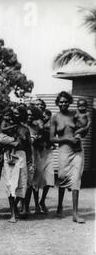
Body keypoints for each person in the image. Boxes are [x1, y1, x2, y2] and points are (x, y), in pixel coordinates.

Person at [50, 91, 85, 223]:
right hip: (64, 150)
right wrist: (66, 139)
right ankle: (59, 206)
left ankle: (75, 213)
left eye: (65, 101)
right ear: (57, 103)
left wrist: (78, 134)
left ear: (69, 102)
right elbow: (52, 138)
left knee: (76, 179)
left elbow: (84, 130)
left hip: (77, 150)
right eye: (61, 102)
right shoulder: (55, 117)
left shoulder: (75, 114)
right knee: (62, 177)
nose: (63, 104)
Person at [0, 106, 29, 223]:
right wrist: (11, 143)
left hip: (22, 156)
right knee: (10, 184)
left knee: (22, 184)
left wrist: (30, 161)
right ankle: (12, 214)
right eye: (14, 113)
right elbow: (0, 139)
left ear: (22, 115)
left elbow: (28, 146)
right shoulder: (8, 128)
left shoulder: (25, 129)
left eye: (17, 114)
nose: (14, 116)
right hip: (10, 157)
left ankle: (15, 207)